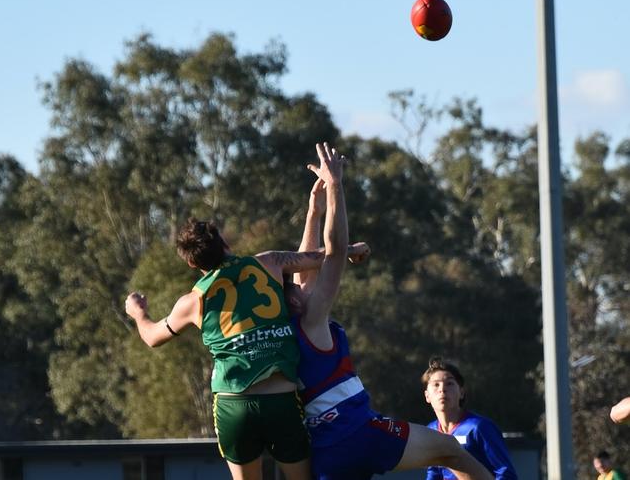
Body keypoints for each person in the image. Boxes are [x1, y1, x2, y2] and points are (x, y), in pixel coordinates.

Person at [125, 144, 369, 480]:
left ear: (193, 264)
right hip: (280, 400)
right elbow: (322, 257)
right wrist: (354, 248)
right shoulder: (268, 263)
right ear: (225, 244)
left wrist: (138, 312)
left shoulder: (192, 301)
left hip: (233, 404)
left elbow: (152, 337)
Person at [283, 142, 494, 480]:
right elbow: (334, 253)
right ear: (293, 300)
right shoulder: (312, 319)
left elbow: (303, 269)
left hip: (323, 451)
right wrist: (336, 186)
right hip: (361, 432)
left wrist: (313, 210)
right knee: (452, 450)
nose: (303, 282)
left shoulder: (287, 327)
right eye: (295, 287)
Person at [421, 357, 518, 480]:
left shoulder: (480, 427)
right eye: (436, 384)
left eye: (449, 383)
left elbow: (506, 474)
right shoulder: (431, 431)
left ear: (461, 392)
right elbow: (434, 473)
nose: (442, 389)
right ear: (427, 396)